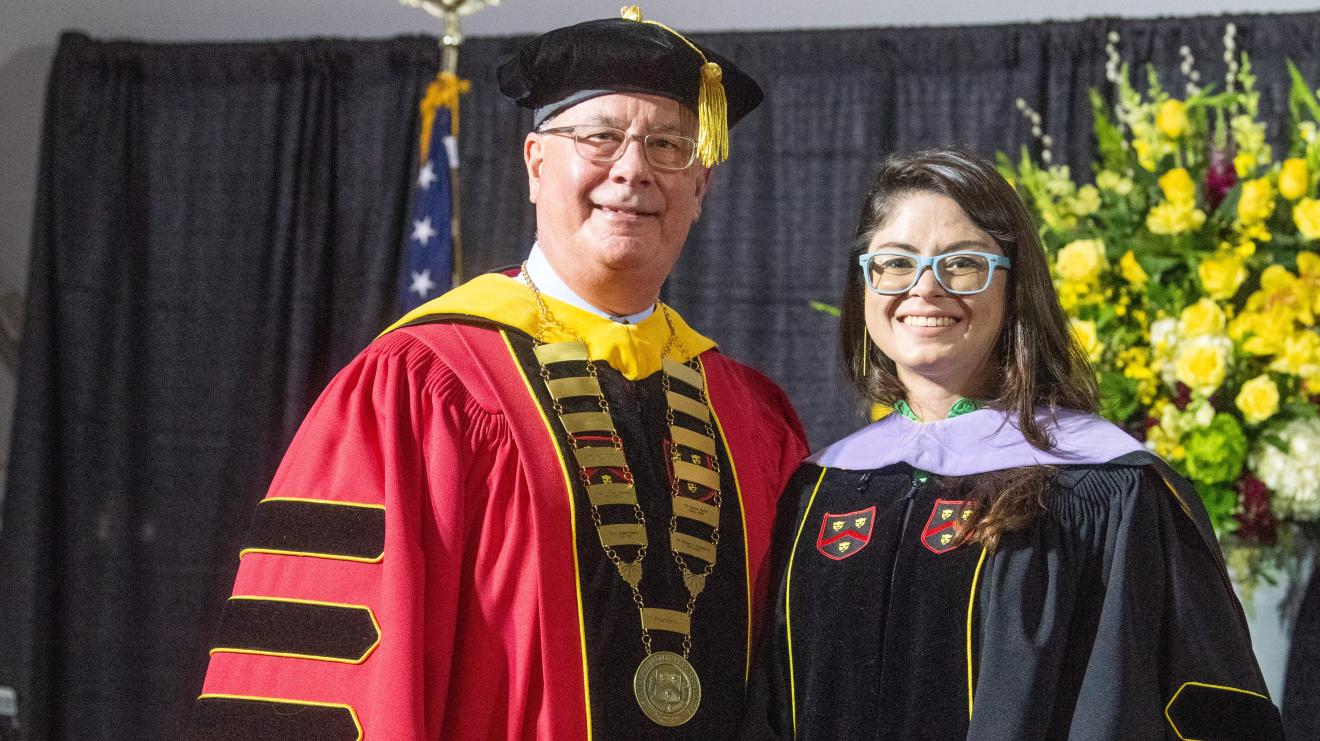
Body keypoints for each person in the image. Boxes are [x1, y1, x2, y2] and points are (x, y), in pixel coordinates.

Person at [186, 8, 807, 740]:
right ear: (537, 163)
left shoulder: (750, 416)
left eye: (668, 145)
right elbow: (336, 678)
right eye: (600, 137)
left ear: (700, 187)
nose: (633, 168)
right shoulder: (422, 386)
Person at [742, 149, 1284, 739]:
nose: (925, 288)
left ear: (1015, 285)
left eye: (964, 264)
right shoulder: (822, 487)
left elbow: (1166, 705)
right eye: (895, 263)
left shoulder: (1105, 487)